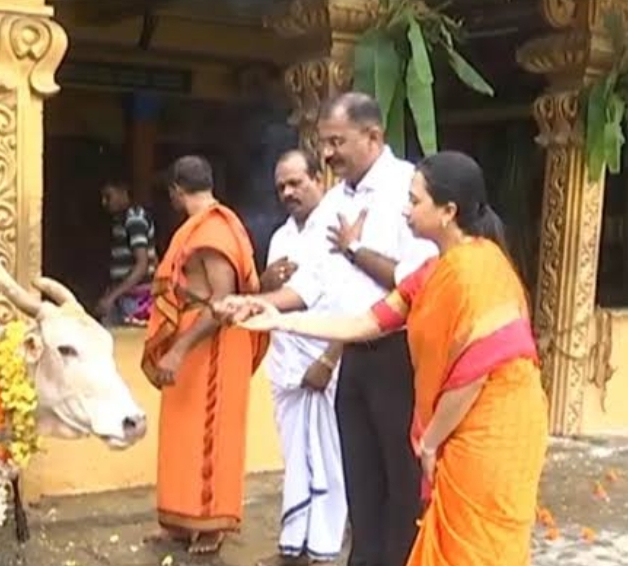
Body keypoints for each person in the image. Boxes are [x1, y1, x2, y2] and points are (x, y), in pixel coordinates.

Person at [218, 150, 550, 566]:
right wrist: (277, 318)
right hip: (454, 426)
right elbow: (365, 322)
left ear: (448, 211)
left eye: (415, 201)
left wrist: (430, 443)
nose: (406, 209)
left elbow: (475, 373)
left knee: (477, 548)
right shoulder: (433, 271)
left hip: (492, 431)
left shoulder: (479, 271)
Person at [313, 92, 437, 566]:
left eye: (337, 142)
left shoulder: (410, 190)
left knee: (400, 484)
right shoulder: (335, 199)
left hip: (398, 356)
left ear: (373, 136)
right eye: (324, 143)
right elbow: (312, 281)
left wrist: (355, 250)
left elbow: (417, 282)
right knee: (360, 482)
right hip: (354, 356)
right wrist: (260, 305)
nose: (328, 153)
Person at [141, 155, 269, 555]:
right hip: (194, 341)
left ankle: (213, 525)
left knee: (212, 433)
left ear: (176, 191)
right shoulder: (204, 227)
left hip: (212, 344)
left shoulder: (213, 232)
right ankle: (181, 522)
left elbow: (222, 301)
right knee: (183, 433)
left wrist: (178, 350)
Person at [250, 149, 349, 565]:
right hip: (287, 364)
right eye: (281, 187)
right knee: (295, 456)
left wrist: (327, 361)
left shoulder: (338, 228)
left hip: (326, 359)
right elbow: (273, 296)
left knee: (329, 456)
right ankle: (294, 538)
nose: (288, 192)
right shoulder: (281, 237)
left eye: (296, 182)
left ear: (318, 179)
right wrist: (262, 283)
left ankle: (325, 543)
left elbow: (348, 302)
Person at [96, 181, 158, 325]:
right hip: (126, 295)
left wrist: (111, 297)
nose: (104, 203)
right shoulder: (122, 220)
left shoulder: (134, 219)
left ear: (122, 192)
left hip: (136, 299)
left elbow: (142, 265)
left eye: (108, 196)